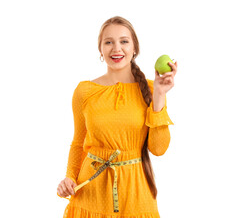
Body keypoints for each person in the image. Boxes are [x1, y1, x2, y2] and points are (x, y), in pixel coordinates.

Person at [57, 16, 178, 218]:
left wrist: (159, 95)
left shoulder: (149, 89)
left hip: (136, 194)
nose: (116, 48)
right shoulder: (84, 91)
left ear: (134, 48)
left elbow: (158, 149)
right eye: (108, 42)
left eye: (124, 41)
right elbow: (78, 143)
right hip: (90, 194)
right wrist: (69, 177)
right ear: (100, 49)